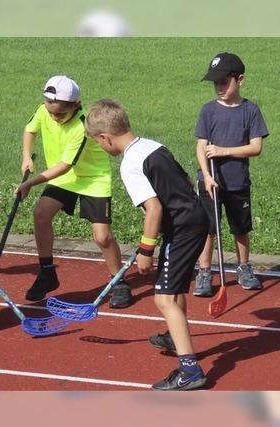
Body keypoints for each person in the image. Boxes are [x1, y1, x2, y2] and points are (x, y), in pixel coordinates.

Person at [85, 98, 209, 390]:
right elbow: (188, 182)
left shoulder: (130, 164)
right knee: (174, 286)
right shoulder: (154, 146)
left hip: (181, 227)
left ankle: (190, 371)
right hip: (195, 218)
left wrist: (146, 249)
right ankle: (173, 336)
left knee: (163, 298)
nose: (101, 147)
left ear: (105, 137)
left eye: (99, 143)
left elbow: (153, 209)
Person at [16, 75, 132, 308]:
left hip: (92, 179)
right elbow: (30, 130)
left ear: (76, 105)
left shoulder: (81, 125)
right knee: (41, 214)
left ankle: (118, 281)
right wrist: (27, 156)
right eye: (50, 113)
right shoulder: (44, 110)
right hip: (65, 179)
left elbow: (64, 165)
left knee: (102, 236)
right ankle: (47, 272)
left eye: (59, 114)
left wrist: (30, 183)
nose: (53, 118)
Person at [193, 52, 269, 297]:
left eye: (224, 82)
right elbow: (201, 146)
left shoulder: (250, 110)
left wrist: (224, 151)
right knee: (208, 227)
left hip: (237, 182)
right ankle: (204, 271)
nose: (219, 88)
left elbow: (255, 147)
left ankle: (244, 268)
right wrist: (206, 175)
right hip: (210, 181)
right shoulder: (208, 111)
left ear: (240, 80)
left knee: (240, 227)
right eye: (216, 83)